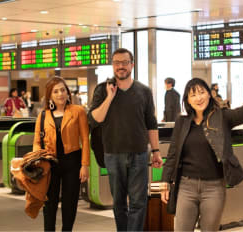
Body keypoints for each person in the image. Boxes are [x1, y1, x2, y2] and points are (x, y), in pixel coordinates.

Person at [160, 78, 243, 231]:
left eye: (202, 92)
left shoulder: (222, 117)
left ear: (209, 94)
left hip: (213, 188)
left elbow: (241, 113)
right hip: (186, 187)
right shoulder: (182, 121)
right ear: (187, 99)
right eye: (193, 95)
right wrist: (165, 181)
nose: (198, 98)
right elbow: (173, 154)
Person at [88, 48, 163, 231]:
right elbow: (95, 119)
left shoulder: (144, 91)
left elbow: (151, 123)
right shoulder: (102, 90)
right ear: (113, 65)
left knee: (138, 202)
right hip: (113, 153)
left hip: (138, 153)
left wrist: (156, 151)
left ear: (132, 65)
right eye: (117, 63)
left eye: (125, 62)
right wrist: (110, 97)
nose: (121, 66)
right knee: (119, 203)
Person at [33, 77, 90, 231]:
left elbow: (85, 139)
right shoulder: (43, 115)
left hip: (73, 161)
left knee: (70, 203)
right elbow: (37, 141)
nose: (60, 94)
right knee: (49, 203)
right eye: (56, 91)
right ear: (50, 95)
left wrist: (85, 165)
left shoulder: (78, 111)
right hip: (49, 163)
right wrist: (38, 157)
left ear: (67, 92)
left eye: (63, 90)